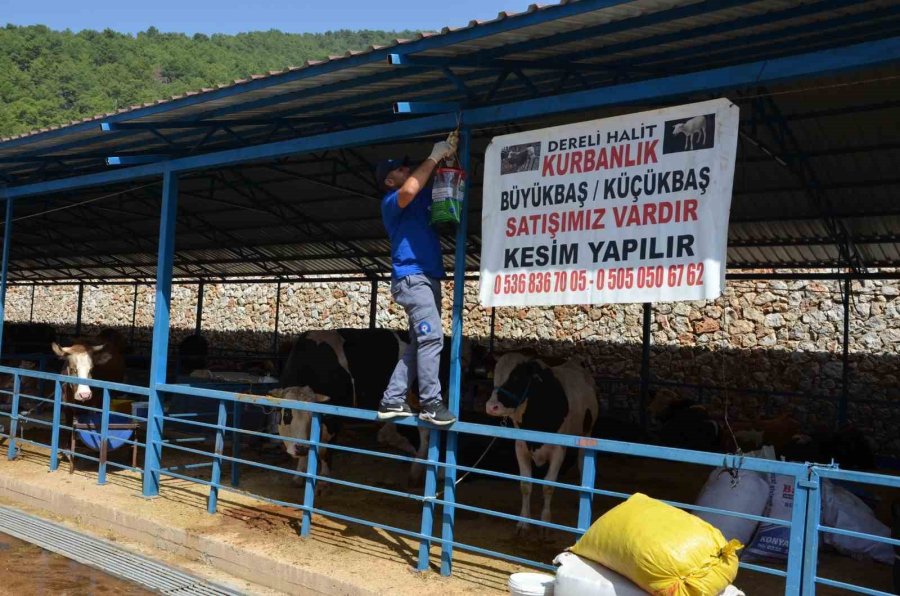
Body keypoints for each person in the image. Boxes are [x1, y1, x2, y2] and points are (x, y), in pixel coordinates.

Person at [375, 134, 458, 426]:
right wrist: (433, 157)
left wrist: (448, 161)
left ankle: (392, 399)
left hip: (428, 278)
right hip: (412, 278)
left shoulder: (420, 196)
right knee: (432, 337)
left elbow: (446, 191)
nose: (406, 170)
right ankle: (431, 403)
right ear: (389, 181)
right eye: (399, 169)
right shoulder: (391, 202)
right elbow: (409, 190)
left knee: (417, 344)